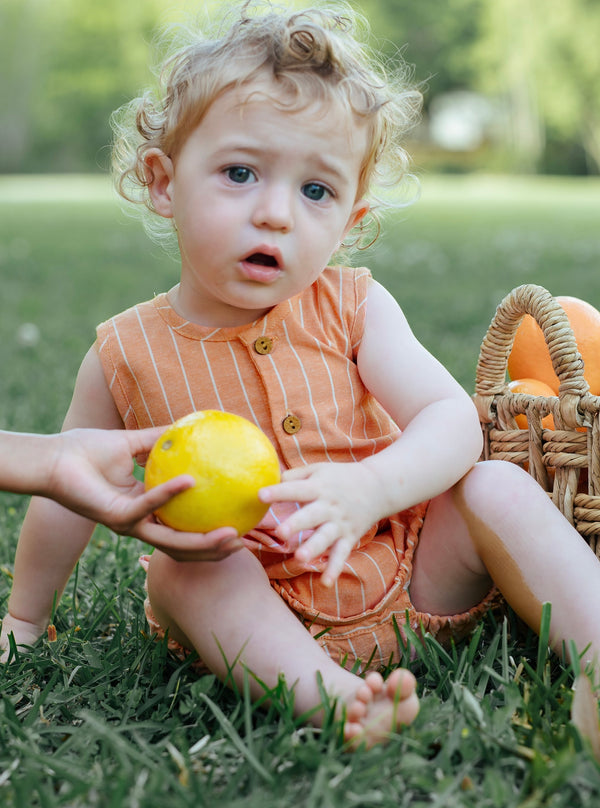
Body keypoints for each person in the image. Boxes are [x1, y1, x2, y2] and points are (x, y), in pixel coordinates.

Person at [3, 0, 600, 748]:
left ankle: (597, 654)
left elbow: (453, 421)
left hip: (413, 578)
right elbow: (64, 493)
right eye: (241, 173)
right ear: (163, 181)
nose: (276, 214)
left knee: (496, 485)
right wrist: (25, 619)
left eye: (315, 191)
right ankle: (335, 698)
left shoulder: (354, 307)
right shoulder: (125, 351)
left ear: (349, 222)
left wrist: (372, 488)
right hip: (253, 616)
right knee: (181, 573)